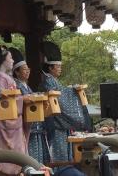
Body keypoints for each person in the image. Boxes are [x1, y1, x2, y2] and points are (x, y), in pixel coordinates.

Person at [39, 41, 90, 176]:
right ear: (50, 68)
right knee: (59, 159)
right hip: (55, 127)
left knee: (65, 159)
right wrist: (73, 91)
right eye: (58, 66)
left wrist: (70, 89)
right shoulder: (49, 81)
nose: (60, 68)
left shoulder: (52, 80)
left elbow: (61, 92)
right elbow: (59, 99)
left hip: (60, 127)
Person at [0, 46, 28, 176]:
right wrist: (23, 99)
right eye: (10, 58)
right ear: (3, 60)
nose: (13, 60)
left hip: (14, 123)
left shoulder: (5, 77)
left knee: (17, 161)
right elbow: (2, 102)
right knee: (7, 162)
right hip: (4, 125)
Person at [9, 47, 50, 165]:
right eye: (24, 69)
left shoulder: (27, 87)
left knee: (38, 160)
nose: (28, 71)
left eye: (28, 69)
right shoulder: (16, 86)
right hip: (27, 129)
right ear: (16, 72)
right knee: (30, 159)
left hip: (36, 128)